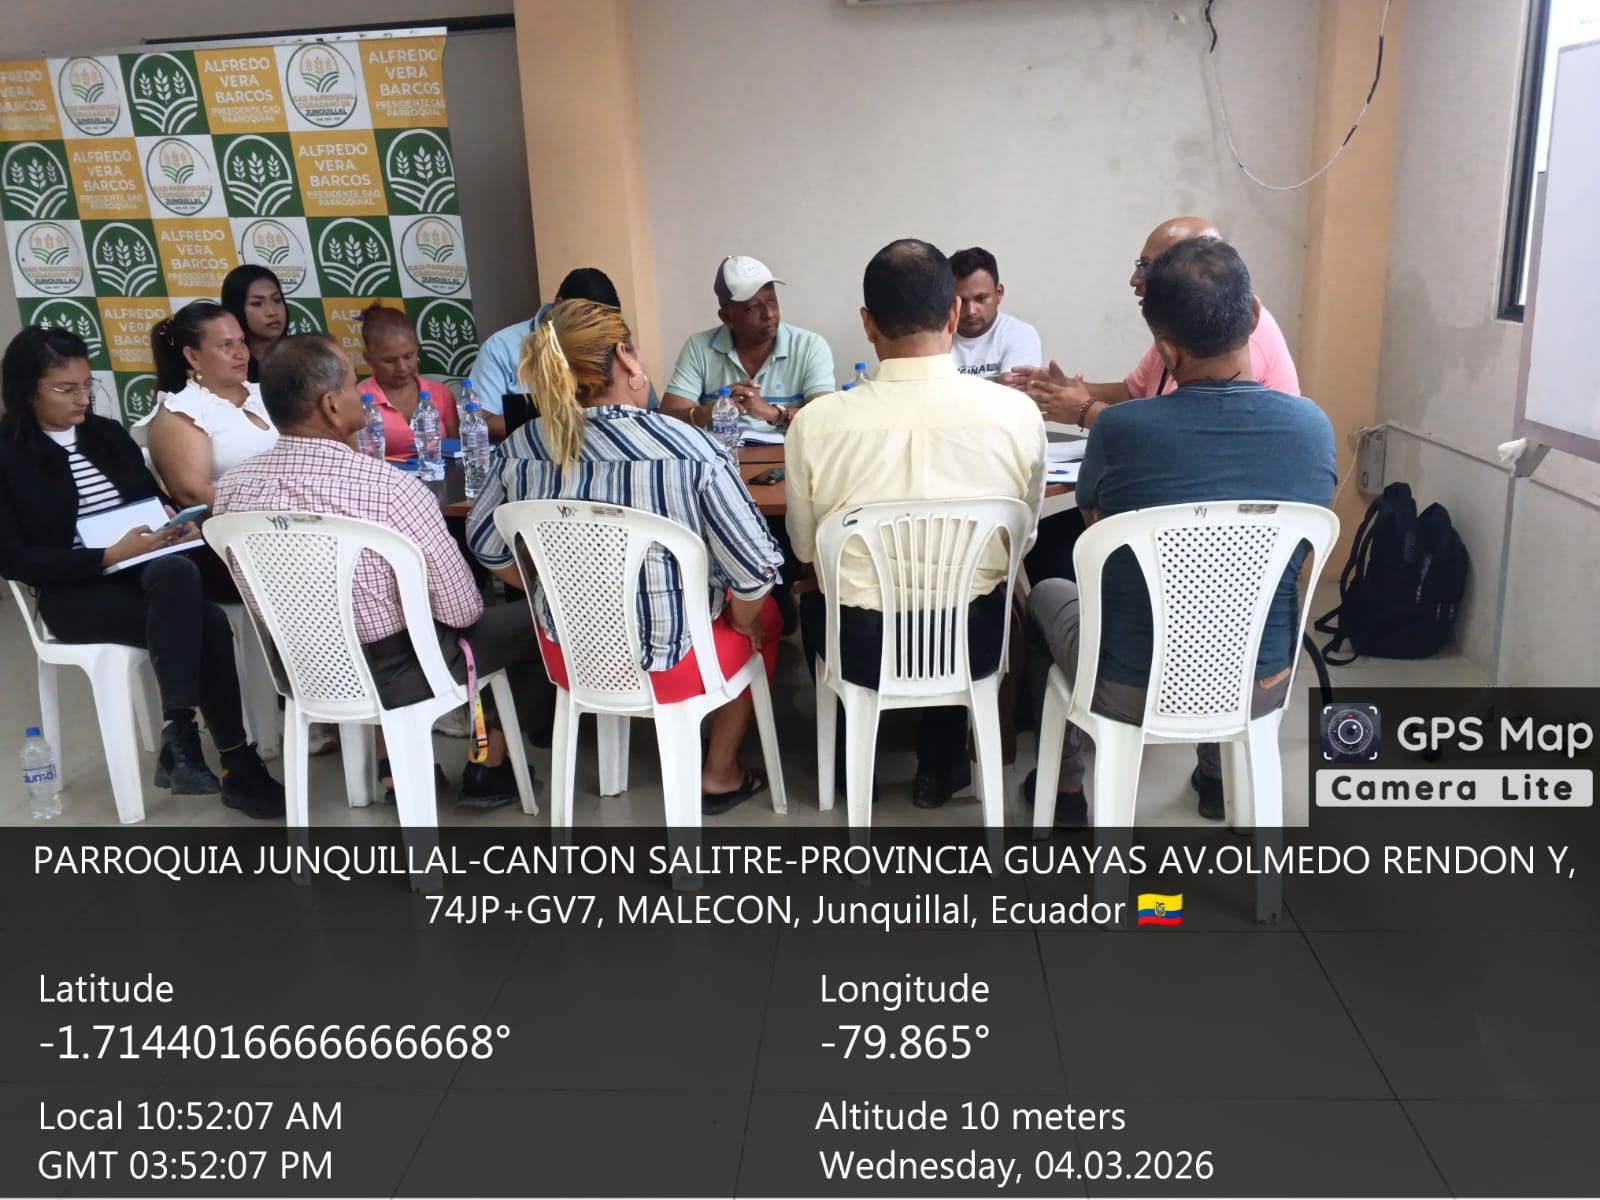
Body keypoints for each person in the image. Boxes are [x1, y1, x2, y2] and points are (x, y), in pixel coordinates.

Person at [1024, 238, 1335, 826]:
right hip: (1261, 678)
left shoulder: (1121, 431)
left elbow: (1098, 533)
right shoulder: (1312, 428)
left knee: (1043, 592)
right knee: (1233, 602)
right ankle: (1218, 777)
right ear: (1253, 316)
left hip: (1128, 683)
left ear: (1166, 349)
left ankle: (1065, 788)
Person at [466, 300, 785, 815]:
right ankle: (720, 771)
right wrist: (744, 618)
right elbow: (753, 572)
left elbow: (485, 544)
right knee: (766, 616)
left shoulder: (520, 448)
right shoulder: (691, 449)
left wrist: (550, 588)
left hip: (569, 657)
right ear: (625, 357)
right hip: (673, 663)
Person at [213, 334, 554, 809]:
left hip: (302, 669)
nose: (363, 395)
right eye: (354, 385)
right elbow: (461, 610)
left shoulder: (233, 489)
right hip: (400, 673)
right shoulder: (392, 489)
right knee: (542, 616)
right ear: (332, 405)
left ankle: (398, 766)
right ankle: (490, 764)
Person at [785, 239, 1046, 810]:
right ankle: (939, 767)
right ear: (953, 312)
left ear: (868, 324)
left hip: (861, 645)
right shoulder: (1017, 414)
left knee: (815, 599)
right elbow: (1022, 537)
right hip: (973, 640)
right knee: (973, 588)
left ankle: (851, 759)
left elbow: (805, 548)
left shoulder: (815, 423)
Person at [0, 326, 285, 818]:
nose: (82, 398)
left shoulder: (106, 436)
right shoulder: (8, 455)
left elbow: (151, 504)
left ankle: (181, 737)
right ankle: (234, 763)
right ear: (27, 390)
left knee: (177, 574)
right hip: (73, 591)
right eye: (66, 389)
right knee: (208, 622)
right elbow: (14, 559)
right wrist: (107, 555)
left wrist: (176, 526)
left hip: (146, 574)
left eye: (87, 385)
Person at [1012, 216, 1303, 584]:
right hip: (1207, 534)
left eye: (1146, 267)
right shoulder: (1314, 426)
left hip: (1202, 529)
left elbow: (1185, 439)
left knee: (1069, 555)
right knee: (1049, 543)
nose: (1134, 280)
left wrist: (1086, 411)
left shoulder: (1233, 344)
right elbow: (1137, 392)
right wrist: (1069, 390)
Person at [660, 255, 835, 436]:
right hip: (723, 453)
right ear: (727, 318)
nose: (768, 314)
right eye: (753, 307)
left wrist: (774, 414)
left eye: (771, 301)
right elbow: (666, 419)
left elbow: (828, 419)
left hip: (789, 452)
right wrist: (716, 409)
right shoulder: (699, 348)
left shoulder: (810, 346)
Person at [472, 268, 654, 440]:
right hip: (535, 451)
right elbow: (479, 423)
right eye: (587, 320)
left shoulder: (615, 345)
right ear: (558, 305)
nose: (594, 331)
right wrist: (555, 422)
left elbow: (651, 408)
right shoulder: (501, 347)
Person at [357, 303, 458, 455]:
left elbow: (457, 451)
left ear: (417, 349)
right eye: (390, 360)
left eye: (408, 356)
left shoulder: (440, 392)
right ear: (368, 359)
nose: (402, 367)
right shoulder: (358, 399)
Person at [949, 247, 1042, 383]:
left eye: (980, 298)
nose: (971, 311)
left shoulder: (1020, 333)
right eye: (962, 301)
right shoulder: (934, 336)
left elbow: (1014, 392)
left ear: (999, 293)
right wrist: (997, 381)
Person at [220, 265, 287, 383]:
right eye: (257, 304)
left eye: (277, 300)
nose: (272, 312)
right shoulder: (230, 366)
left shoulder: (305, 356)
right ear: (237, 309)